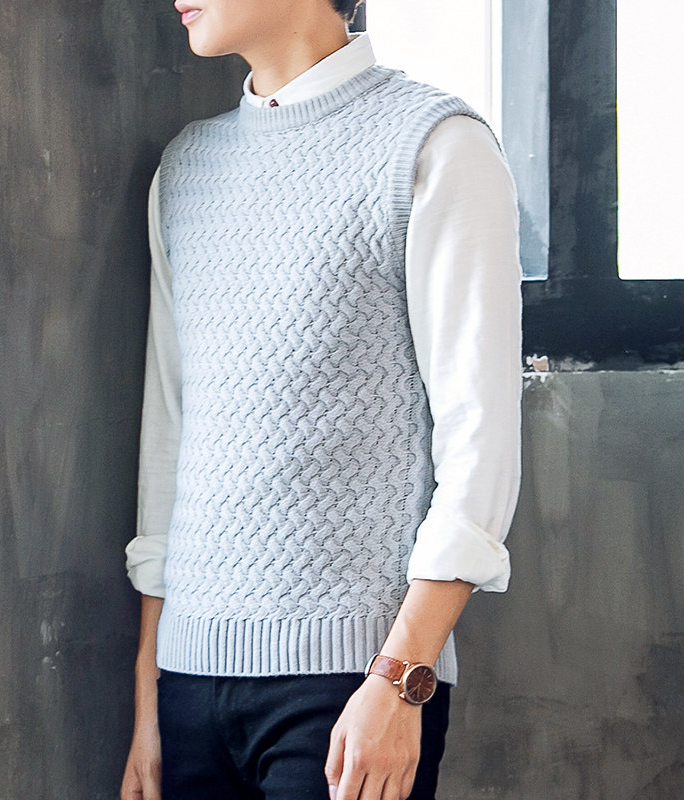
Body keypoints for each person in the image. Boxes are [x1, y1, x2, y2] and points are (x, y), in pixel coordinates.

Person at [121, 0, 521, 798]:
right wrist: (148, 701)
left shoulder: (436, 146)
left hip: (352, 687)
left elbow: (481, 444)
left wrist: (401, 680)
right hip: (187, 686)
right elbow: (170, 437)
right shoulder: (185, 171)